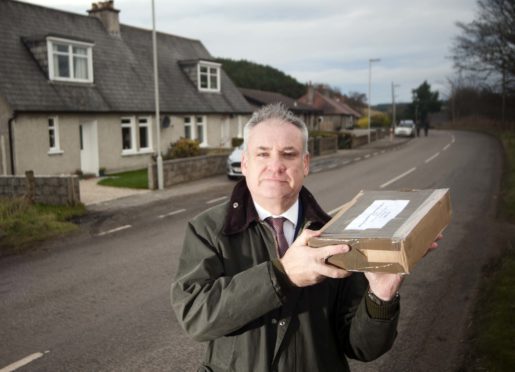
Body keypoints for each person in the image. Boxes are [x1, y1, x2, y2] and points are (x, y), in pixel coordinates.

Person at [171, 103, 440, 372]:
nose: (275, 166)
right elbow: (195, 316)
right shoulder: (207, 229)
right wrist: (282, 274)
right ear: (244, 163)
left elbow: (362, 347)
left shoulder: (339, 235)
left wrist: (382, 294)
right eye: (262, 154)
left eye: (288, 154)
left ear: (305, 163)